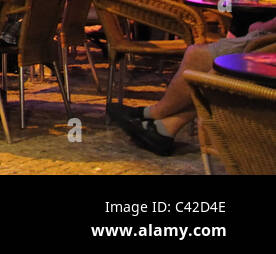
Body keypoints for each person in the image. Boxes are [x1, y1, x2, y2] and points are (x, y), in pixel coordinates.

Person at [111, 16, 276, 155]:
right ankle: (164, 127)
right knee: (211, 71)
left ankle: (156, 114)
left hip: (267, 43)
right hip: (266, 40)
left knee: (197, 56)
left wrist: (263, 26)